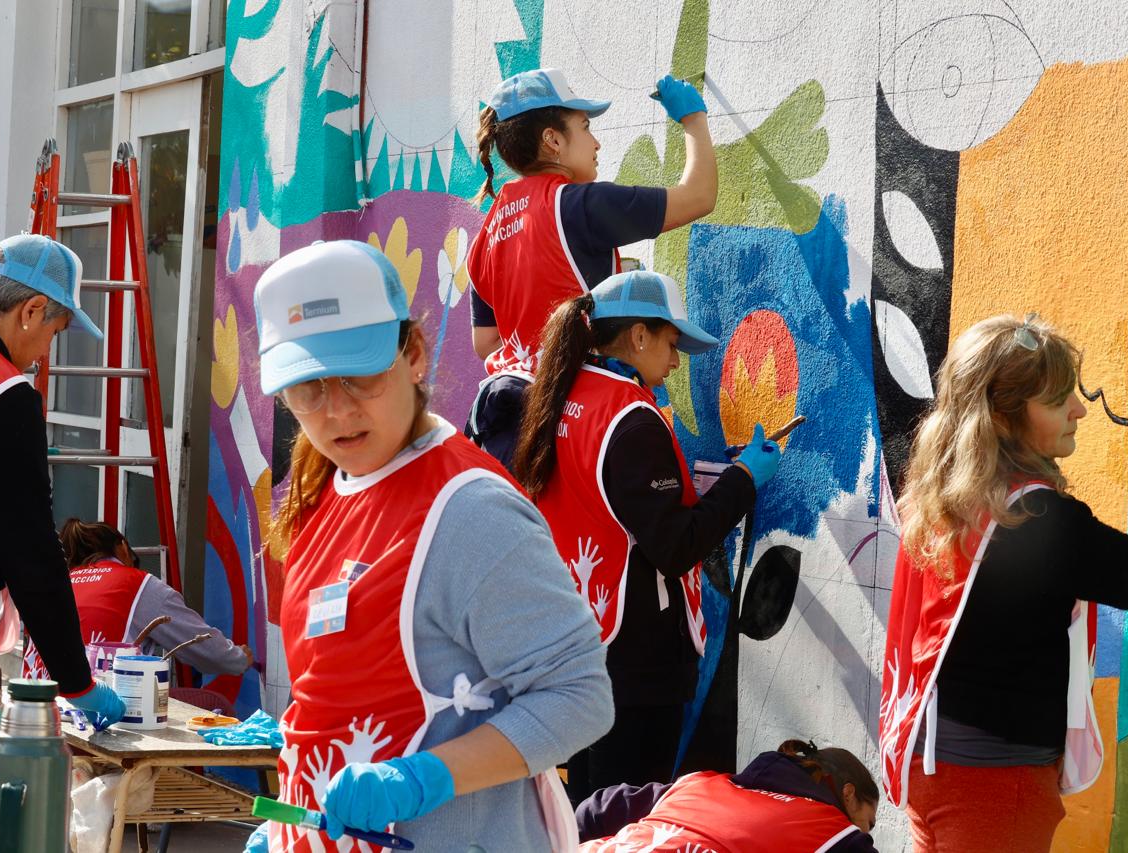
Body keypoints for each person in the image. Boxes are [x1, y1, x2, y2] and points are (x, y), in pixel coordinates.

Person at [242, 240, 613, 853]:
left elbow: (579, 697)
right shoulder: (328, 489)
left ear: (412, 353)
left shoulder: (470, 510)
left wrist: (422, 779)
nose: (336, 411)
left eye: (359, 374)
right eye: (308, 386)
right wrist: (287, 822)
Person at [879, 313, 1128, 853]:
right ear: (1003, 419)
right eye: (1056, 401)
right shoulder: (1037, 519)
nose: (1079, 409)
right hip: (995, 787)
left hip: (933, 766)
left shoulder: (949, 497)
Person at [513, 270, 784, 805]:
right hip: (637, 663)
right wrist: (744, 479)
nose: (677, 361)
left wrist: (704, 485)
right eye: (671, 342)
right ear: (638, 336)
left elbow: (613, 507)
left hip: (581, 641)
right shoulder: (632, 419)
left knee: (587, 818)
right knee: (628, 823)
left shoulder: (567, 394)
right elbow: (675, 546)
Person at [0, 235, 125, 787]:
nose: (44, 355)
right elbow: (32, 557)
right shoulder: (3, 396)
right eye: (54, 333)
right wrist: (75, 681)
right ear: (31, 310)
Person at [465, 67, 718, 469]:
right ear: (553, 140)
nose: (596, 142)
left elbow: (486, 344)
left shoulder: (486, 234)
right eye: (585, 126)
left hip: (513, 423)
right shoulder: (577, 205)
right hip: (577, 419)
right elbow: (699, 195)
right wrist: (694, 119)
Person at [21, 519, 252, 678]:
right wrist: (239, 658)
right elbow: (205, 650)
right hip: (94, 706)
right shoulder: (136, 584)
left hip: (39, 708)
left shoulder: (62, 582)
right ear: (122, 547)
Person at [576, 738, 880, 852]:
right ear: (848, 794)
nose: (865, 832)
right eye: (867, 822)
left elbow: (599, 806)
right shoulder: (834, 834)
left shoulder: (700, 784)